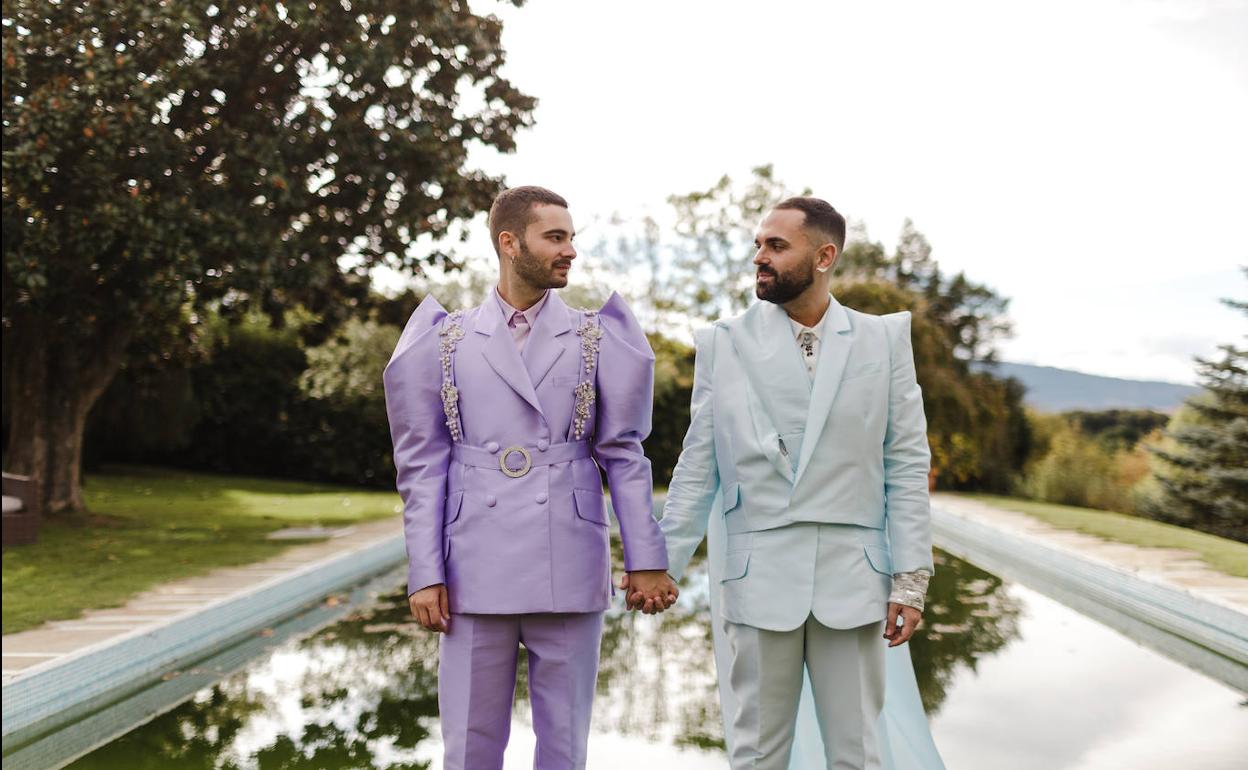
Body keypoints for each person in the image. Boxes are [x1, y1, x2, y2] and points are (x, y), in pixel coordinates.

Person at [383, 185, 678, 770]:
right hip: (471, 565)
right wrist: (425, 572)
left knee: (565, 747)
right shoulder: (444, 338)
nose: (570, 251)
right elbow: (419, 465)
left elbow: (624, 454)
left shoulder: (600, 335)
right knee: (468, 747)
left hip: (568, 558)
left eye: (572, 238)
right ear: (509, 242)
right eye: (556, 237)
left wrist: (646, 559)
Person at [645, 197, 942, 769]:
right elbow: (699, 462)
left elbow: (906, 463)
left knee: (858, 755)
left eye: (776, 246)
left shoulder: (883, 342)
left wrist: (911, 580)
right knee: (757, 755)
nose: (759, 256)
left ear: (824, 256)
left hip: (853, 579)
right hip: (759, 575)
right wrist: (663, 563)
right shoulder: (723, 343)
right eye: (758, 244)